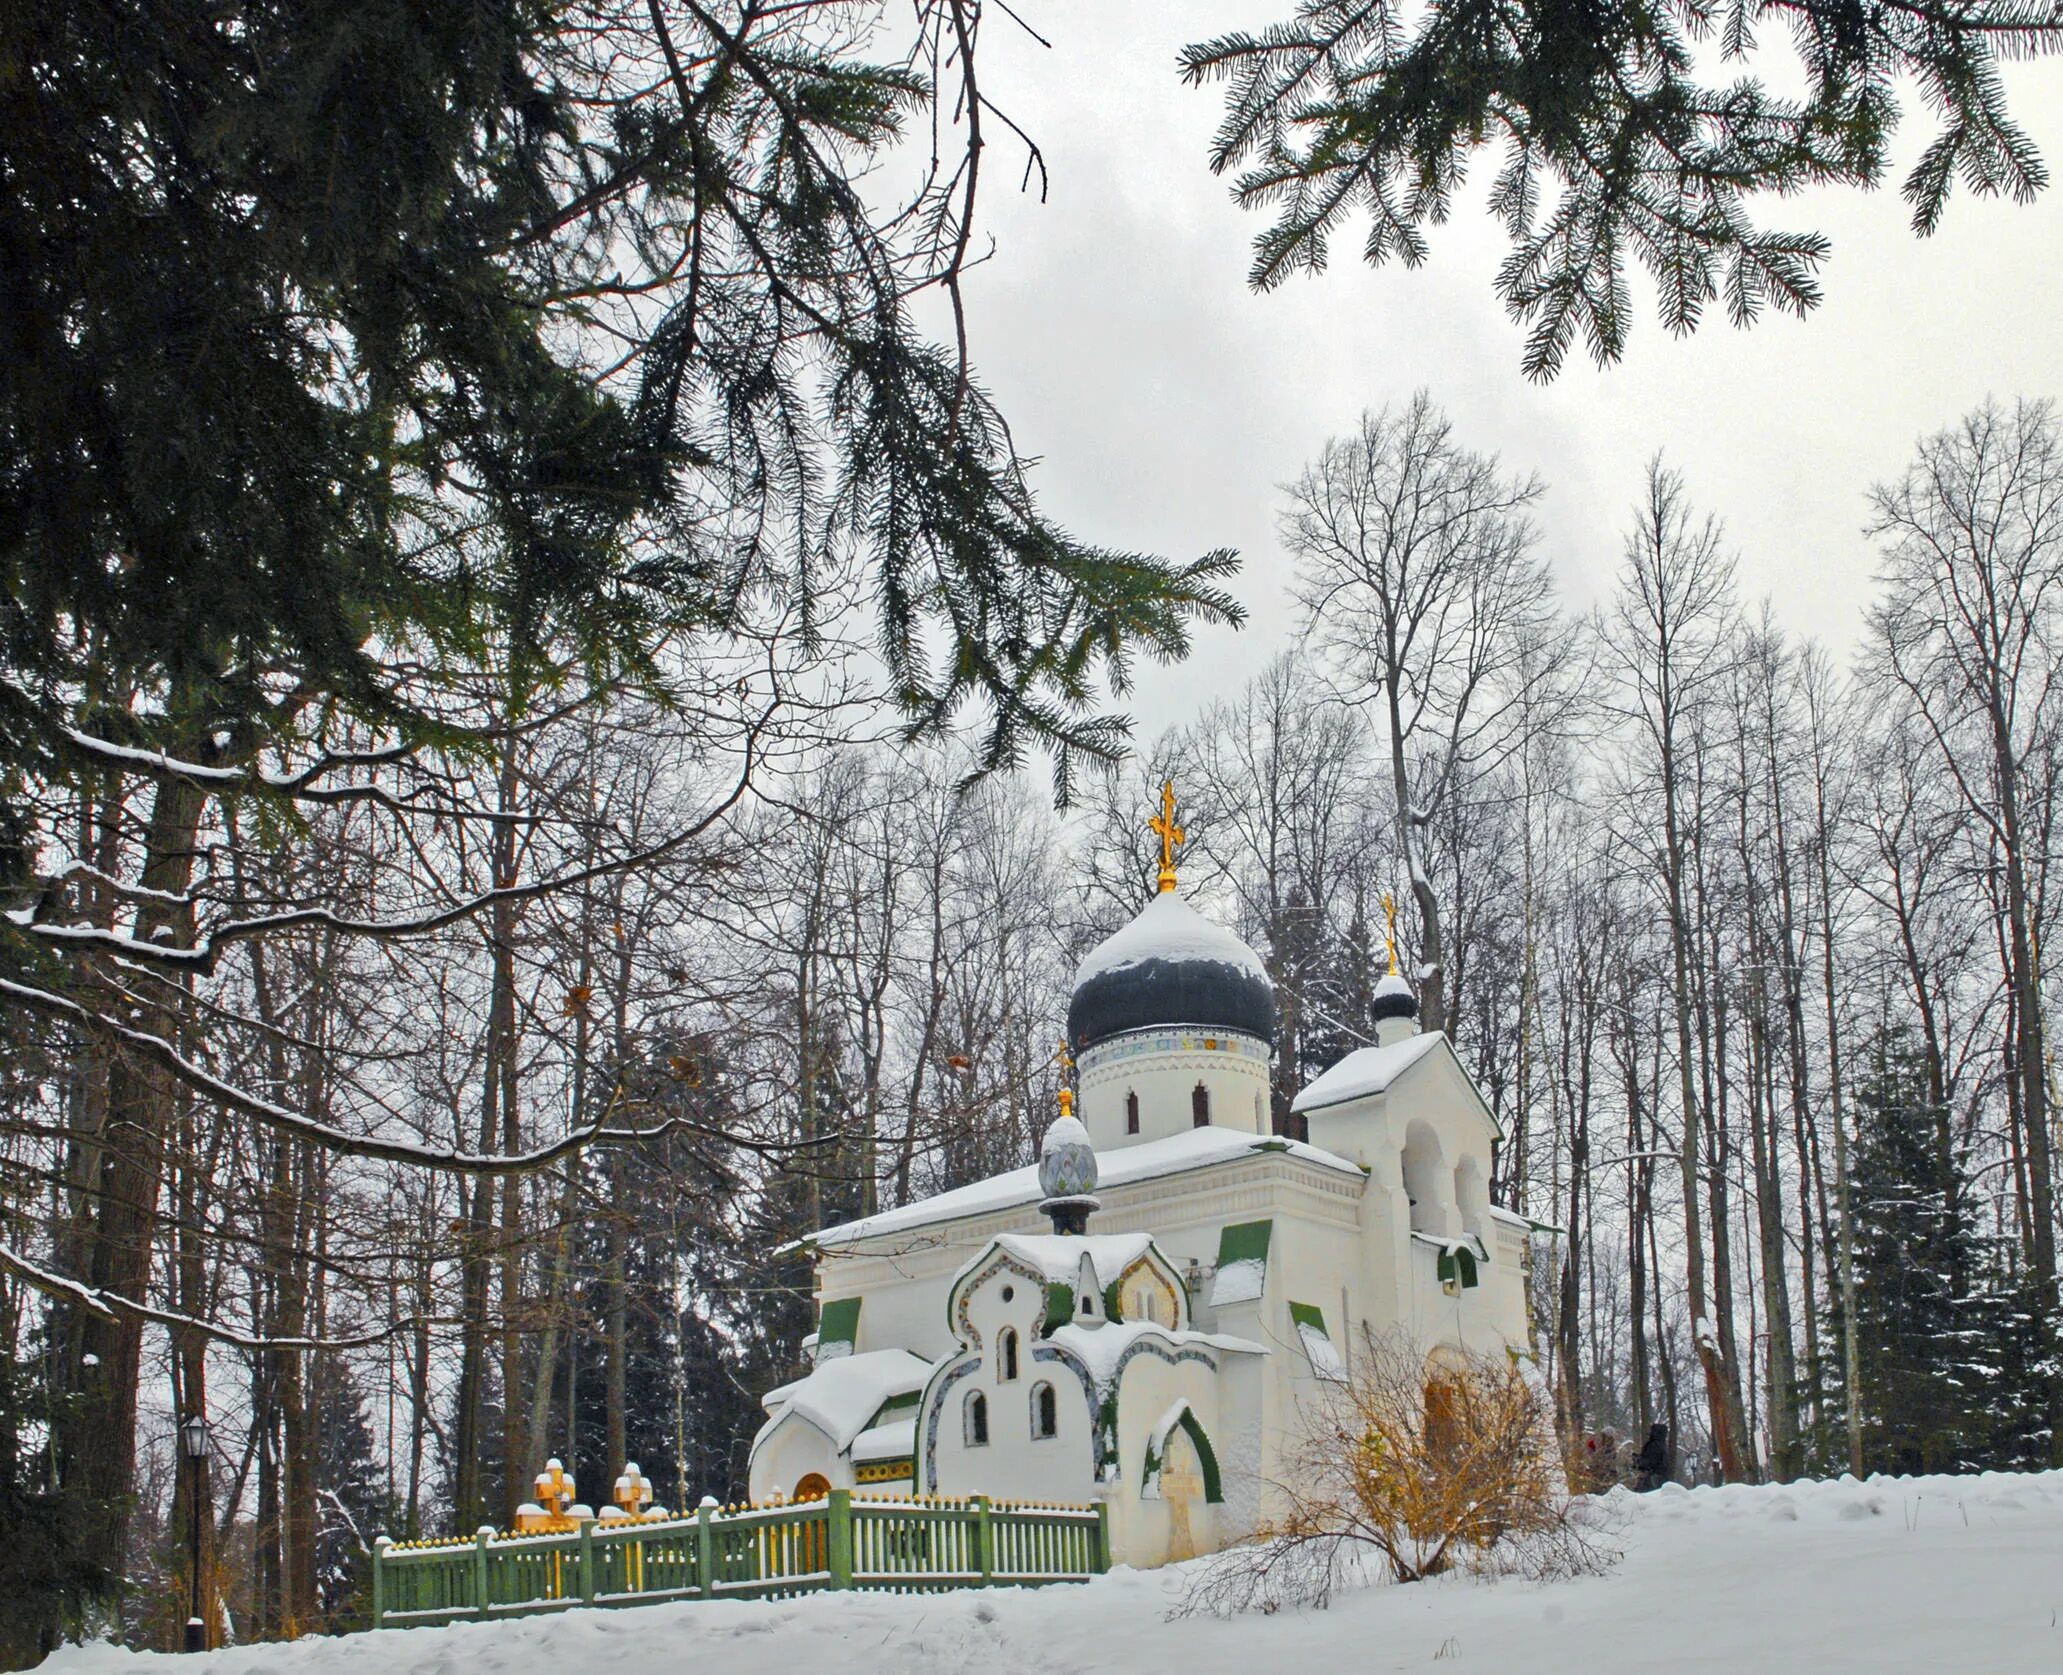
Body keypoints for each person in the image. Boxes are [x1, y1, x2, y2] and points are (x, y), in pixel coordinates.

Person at [1634, 1422, 1670, 1491]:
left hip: (1650, 1479)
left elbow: (1650, 1462)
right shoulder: (1663, 1446)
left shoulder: (1654, 1445)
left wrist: (1638, 1460)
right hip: (1658, 1479)